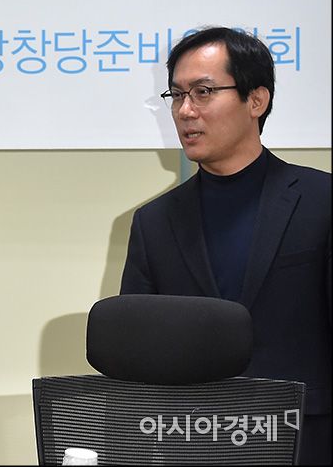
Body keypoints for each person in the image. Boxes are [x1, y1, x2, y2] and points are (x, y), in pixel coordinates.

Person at [120, 26, 331, 465]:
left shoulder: (321, 201)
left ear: (256, 100)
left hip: (305, 439)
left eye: (203, 92)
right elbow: (137, 357)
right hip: (190, 441)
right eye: (177, 95)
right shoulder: (153, 223)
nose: (185, 111)